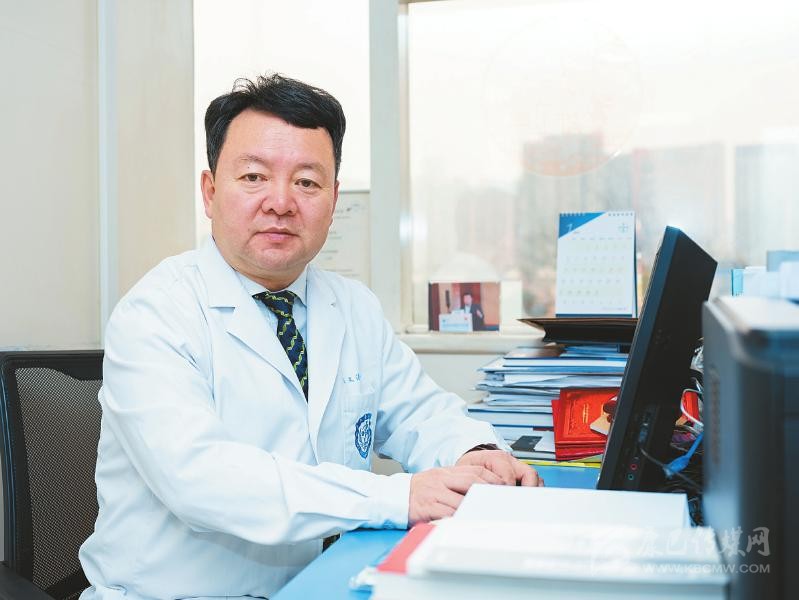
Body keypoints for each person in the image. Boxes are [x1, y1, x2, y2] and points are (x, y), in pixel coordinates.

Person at [79, 74, 540, 600]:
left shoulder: (352, 306)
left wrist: (475, 452)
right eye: (254, 176)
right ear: (210, 192)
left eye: (306, 182)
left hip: (323, 583)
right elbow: (200, 479)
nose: (280, 202)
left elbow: (419, 412)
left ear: (333, 198)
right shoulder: (155, 313)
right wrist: (398, 497)